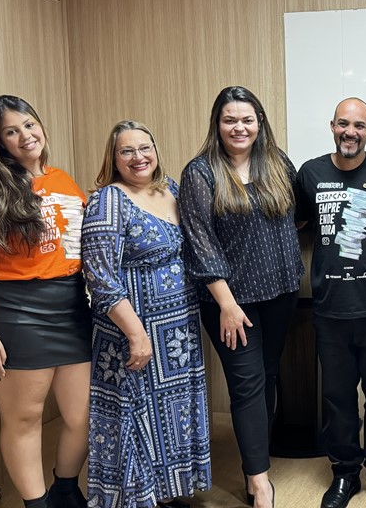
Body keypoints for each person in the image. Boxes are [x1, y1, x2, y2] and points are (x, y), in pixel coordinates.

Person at [0, 95, 91, 508]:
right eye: (11, 132)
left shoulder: (64, 181)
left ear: (41, 126)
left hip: (72, 307)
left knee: (83, 415)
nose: (25, 136)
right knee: (24, 418)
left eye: (29, 125)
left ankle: (65, 488)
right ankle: (36, 503)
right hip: (16, 311)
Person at [179, 86, 303, 508]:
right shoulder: (201, 173)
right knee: (247, 383)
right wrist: (227, 304)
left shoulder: (278, 163)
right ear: (217, 124)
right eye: (230, 120)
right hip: (230, 302)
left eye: (247, 119)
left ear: (259, 122)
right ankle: (259, 482)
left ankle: (257, 460)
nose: (239, 127)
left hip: (281, 291)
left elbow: (297, 215)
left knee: (267, 376)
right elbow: (200, 242)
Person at [81, 120, 212, 508]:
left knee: (172, 410)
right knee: (135, 412)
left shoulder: (171, 189)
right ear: (114, 158)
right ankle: (137, 498)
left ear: (155, 150)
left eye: (145, 148)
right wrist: (136, 334)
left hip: (178, 329)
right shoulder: (109, 200)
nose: (138, 157)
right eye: (127, 151)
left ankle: (166, 492)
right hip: (132, 329)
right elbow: (100, 276)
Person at [294, 97, 366, 508]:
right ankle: (344, 473)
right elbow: (295, 225)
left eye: (359, 126)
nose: (350, 132)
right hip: (330, 309)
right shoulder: (310, 173)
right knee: (338, 399)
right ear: (332, 126)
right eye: (344, 124)